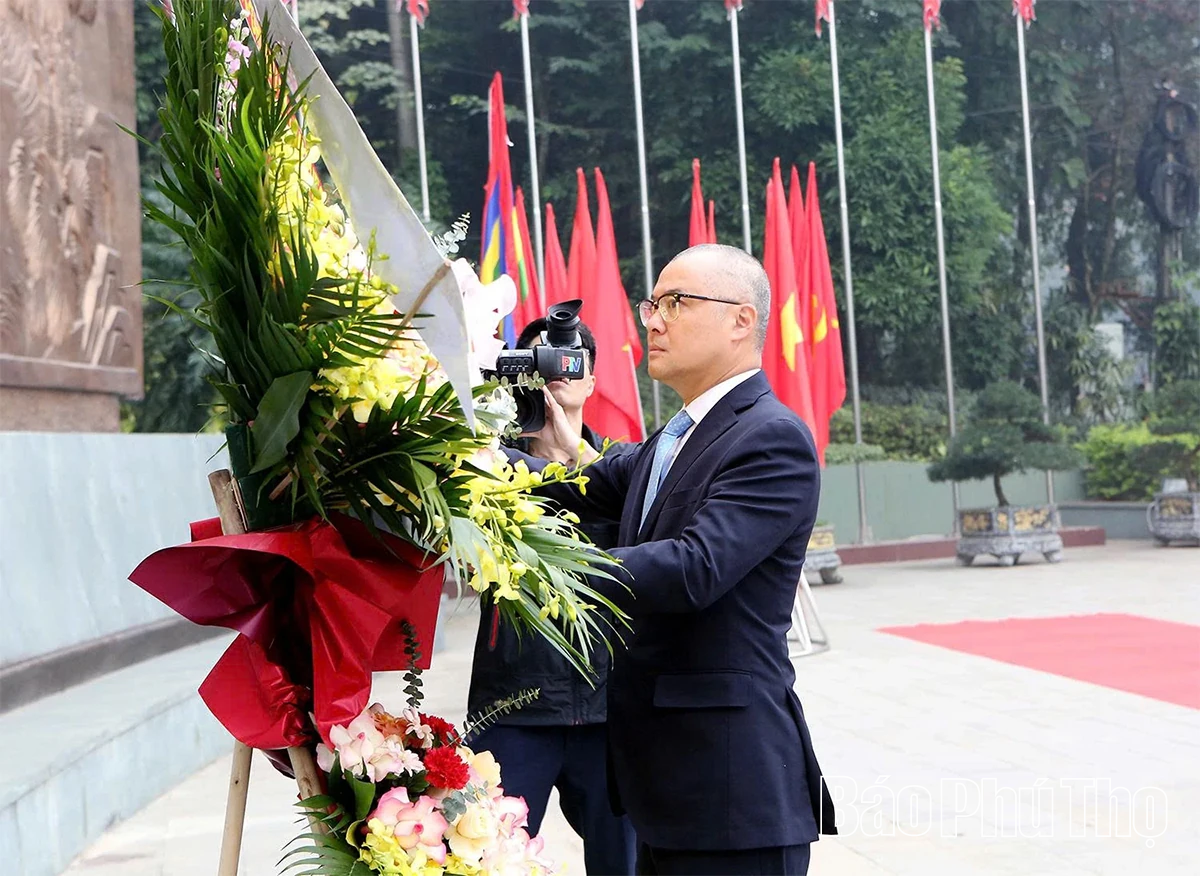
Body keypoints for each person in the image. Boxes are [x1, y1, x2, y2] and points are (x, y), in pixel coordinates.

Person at [513, 244, 837, 875]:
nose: (654, 322)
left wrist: (550, 570)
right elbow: (570, 487)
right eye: (651, 305)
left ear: (741, 320)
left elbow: (694, 568)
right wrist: (459, 454)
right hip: (664, 794)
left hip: (731, 792)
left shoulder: (771, 437)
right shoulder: (675, 437)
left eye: (675, 303)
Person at [467, 318, 638, 876]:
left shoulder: (623, 467)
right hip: (514, 702)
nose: (558, 370)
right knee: (489, 860)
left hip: (609, 707)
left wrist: (577, 459)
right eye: (540, 359)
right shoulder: (483, 465)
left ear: (592, 380)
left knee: (626, 864)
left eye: (572, 359)